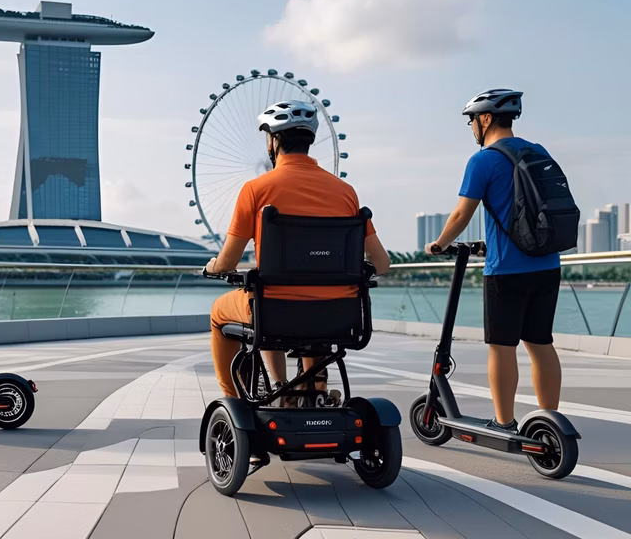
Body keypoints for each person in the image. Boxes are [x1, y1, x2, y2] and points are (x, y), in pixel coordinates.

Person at [205, 101, 391, 405]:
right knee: (300, 305)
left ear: (273, 141)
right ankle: (313, 386)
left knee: (224, 310)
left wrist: (214, 265)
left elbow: (228, 260)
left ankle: (239, 398)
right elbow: (382, 263)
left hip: (276, 310)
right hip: (338, 314)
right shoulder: (345, 192)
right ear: (310, 139)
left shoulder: (256, 189)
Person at [425, 88, 562, 432]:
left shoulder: (483, 160)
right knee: (541, 343)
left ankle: (504, 422)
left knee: (502, 347)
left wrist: (440, 244)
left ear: (485, 119)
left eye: (471, 120)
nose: (472, 127)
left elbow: (460, 214)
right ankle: (550, 420)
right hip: (547, 263)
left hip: (506, 269)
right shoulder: (538, 151)